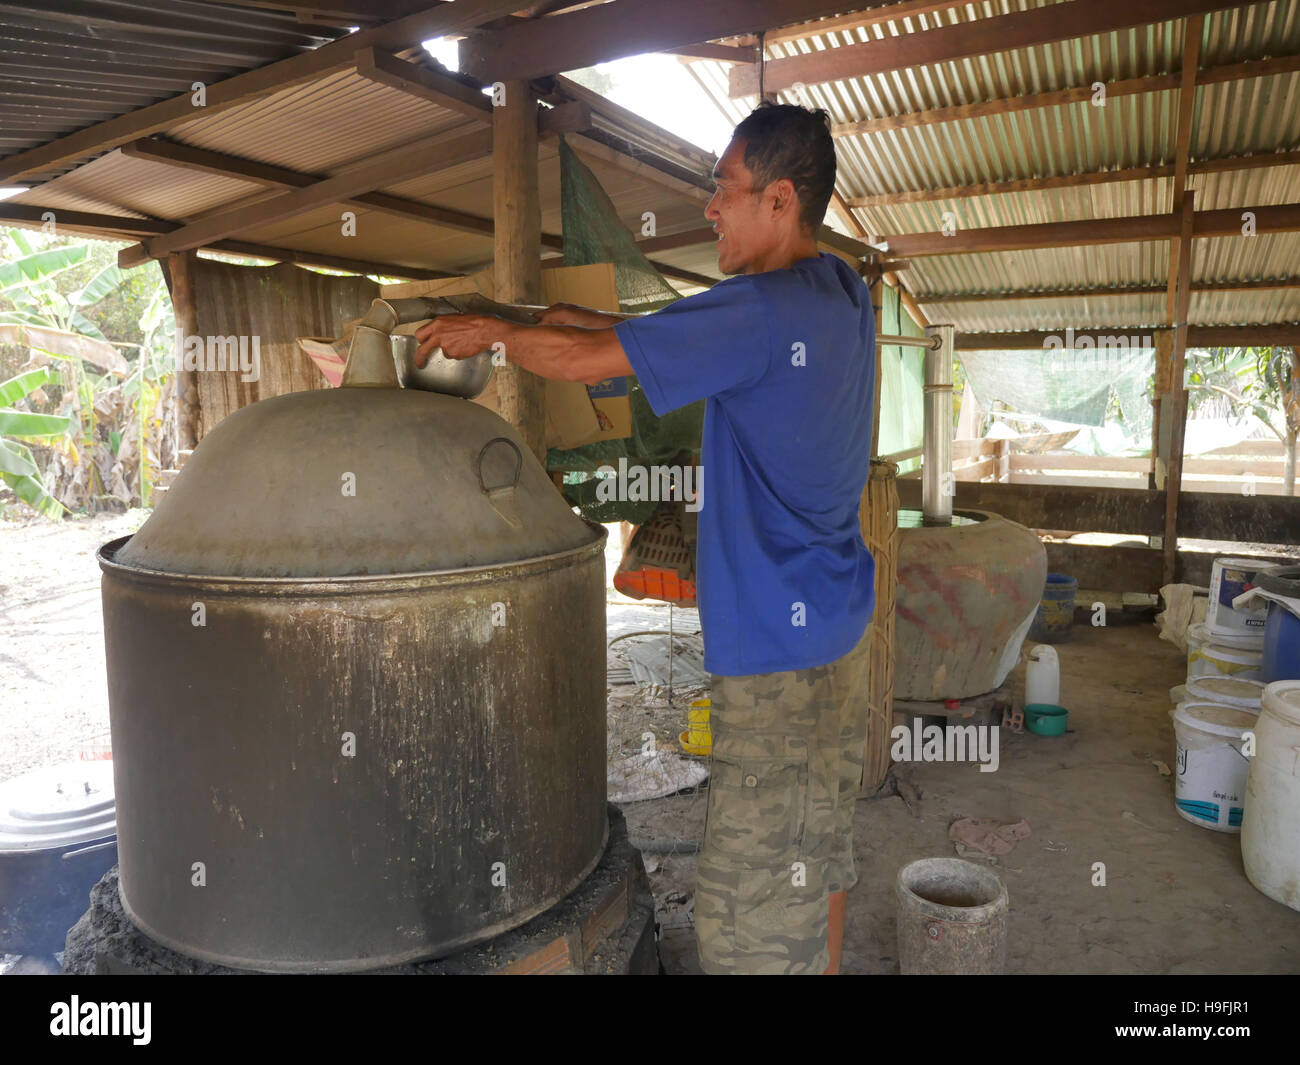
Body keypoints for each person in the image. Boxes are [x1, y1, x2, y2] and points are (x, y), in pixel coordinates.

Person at [415, 103, 876, 975]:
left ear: (779, 199)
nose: (710, 209)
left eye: (723, 190)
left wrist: (500, 338)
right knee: (820, 847)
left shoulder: (756, 312)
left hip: (775, 655)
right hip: (839, 632)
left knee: (747, 907)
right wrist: (531, 313)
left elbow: (590, 364)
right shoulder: (839, 292)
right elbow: (626, 338)